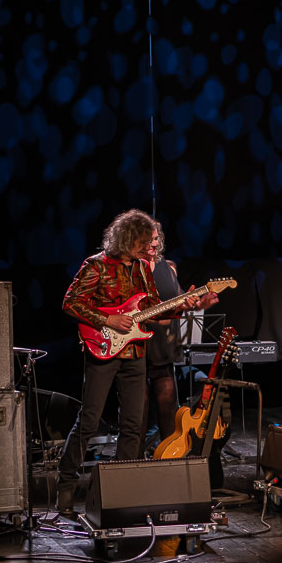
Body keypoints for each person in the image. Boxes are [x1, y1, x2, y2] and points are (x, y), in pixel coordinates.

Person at [56, 209, 204, 516]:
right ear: (127, 239)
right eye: (145, 242)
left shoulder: (141, 268)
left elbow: (151, 309)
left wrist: (183, 306)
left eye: (152, 242)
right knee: (89, 420)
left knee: (133, 425)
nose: (151, 248)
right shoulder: (96, 265)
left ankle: (122, 490)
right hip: (103, 351)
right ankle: (66, 484)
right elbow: (71, 303)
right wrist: (108, 319)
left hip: (135, 352)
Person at [142, 222, 218, 452]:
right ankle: (133, 460)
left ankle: (168, 456)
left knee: (168, 408)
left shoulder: (168, 268)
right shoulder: (132, 268)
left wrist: (198, 304)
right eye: (149, 239)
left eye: (156, 238)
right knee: (138, 411)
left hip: (163, 347)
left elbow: (180, 300)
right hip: (137, 345)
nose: (154, 243)